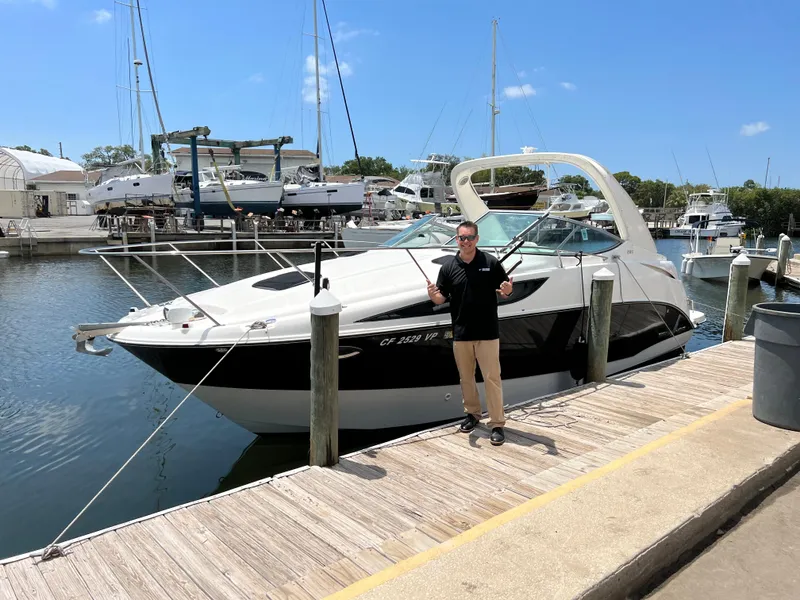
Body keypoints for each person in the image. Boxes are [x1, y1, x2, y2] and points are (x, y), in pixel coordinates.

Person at [427, 221, 513, 446]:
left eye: (469, 237)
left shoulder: (490, 263)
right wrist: (432, 294)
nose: (465, 242)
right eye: (461, 238)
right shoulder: (447, 267)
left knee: (492, 379)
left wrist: (507, 290)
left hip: (487, 332)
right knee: (466, 378)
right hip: (461, 331)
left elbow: (505, 290)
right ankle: (472, 414)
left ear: (477, 239)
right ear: (456, 240)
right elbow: (440, 299)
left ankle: (497, 423)